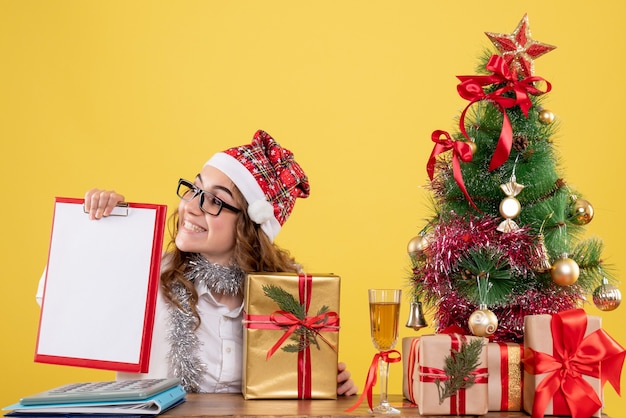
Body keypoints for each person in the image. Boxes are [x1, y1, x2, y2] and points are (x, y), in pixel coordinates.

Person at [41, 130, 357, 396]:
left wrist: (333, 387)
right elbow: (57, 302)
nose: (191, 206)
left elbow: (292, 391)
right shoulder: (148, 270)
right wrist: (104, 234)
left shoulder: (287, 298)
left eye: (215, 200)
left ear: (250, 226)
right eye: (194, 188)